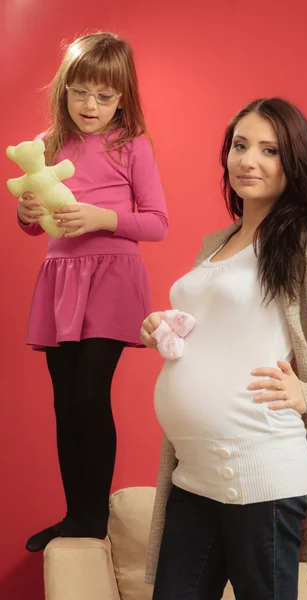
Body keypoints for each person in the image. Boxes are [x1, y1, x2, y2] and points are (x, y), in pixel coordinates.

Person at [140, 98, 307, 599]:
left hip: (261, 474)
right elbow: (226, 331)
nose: (248, 160)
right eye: (240, 146)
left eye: (268, 150)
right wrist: (165, 330)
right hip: (193, 474)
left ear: (292, 162)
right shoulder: (217, 243)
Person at [16, 31, 168, 552]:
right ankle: (74, 513)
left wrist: (101, 217)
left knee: (88, 394)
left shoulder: (132, 145)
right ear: (64, 89)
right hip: (62, 278)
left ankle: (92, 518)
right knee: (64, 402)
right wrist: (26, 215)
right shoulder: (50, 145)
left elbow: (157, 223)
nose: (91, 106)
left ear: (121, 99)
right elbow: (38, 227)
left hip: (110, 279)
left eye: (105, 97)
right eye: (81, 92)